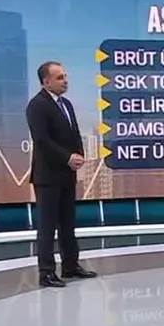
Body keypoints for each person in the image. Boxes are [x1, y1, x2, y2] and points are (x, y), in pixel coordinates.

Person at [26, 61, 97, 287]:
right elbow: (42, 140)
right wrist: (67, 158)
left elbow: (74, 133)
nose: (65, 81)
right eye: (59, 77)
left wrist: (79, 155)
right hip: (48, 177)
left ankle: (70, 265)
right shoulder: (37, 105)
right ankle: (46, 273)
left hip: (67, 175)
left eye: (65, 76)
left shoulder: (66, 104)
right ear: (46, 81)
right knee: (48, 227)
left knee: (68, 223)